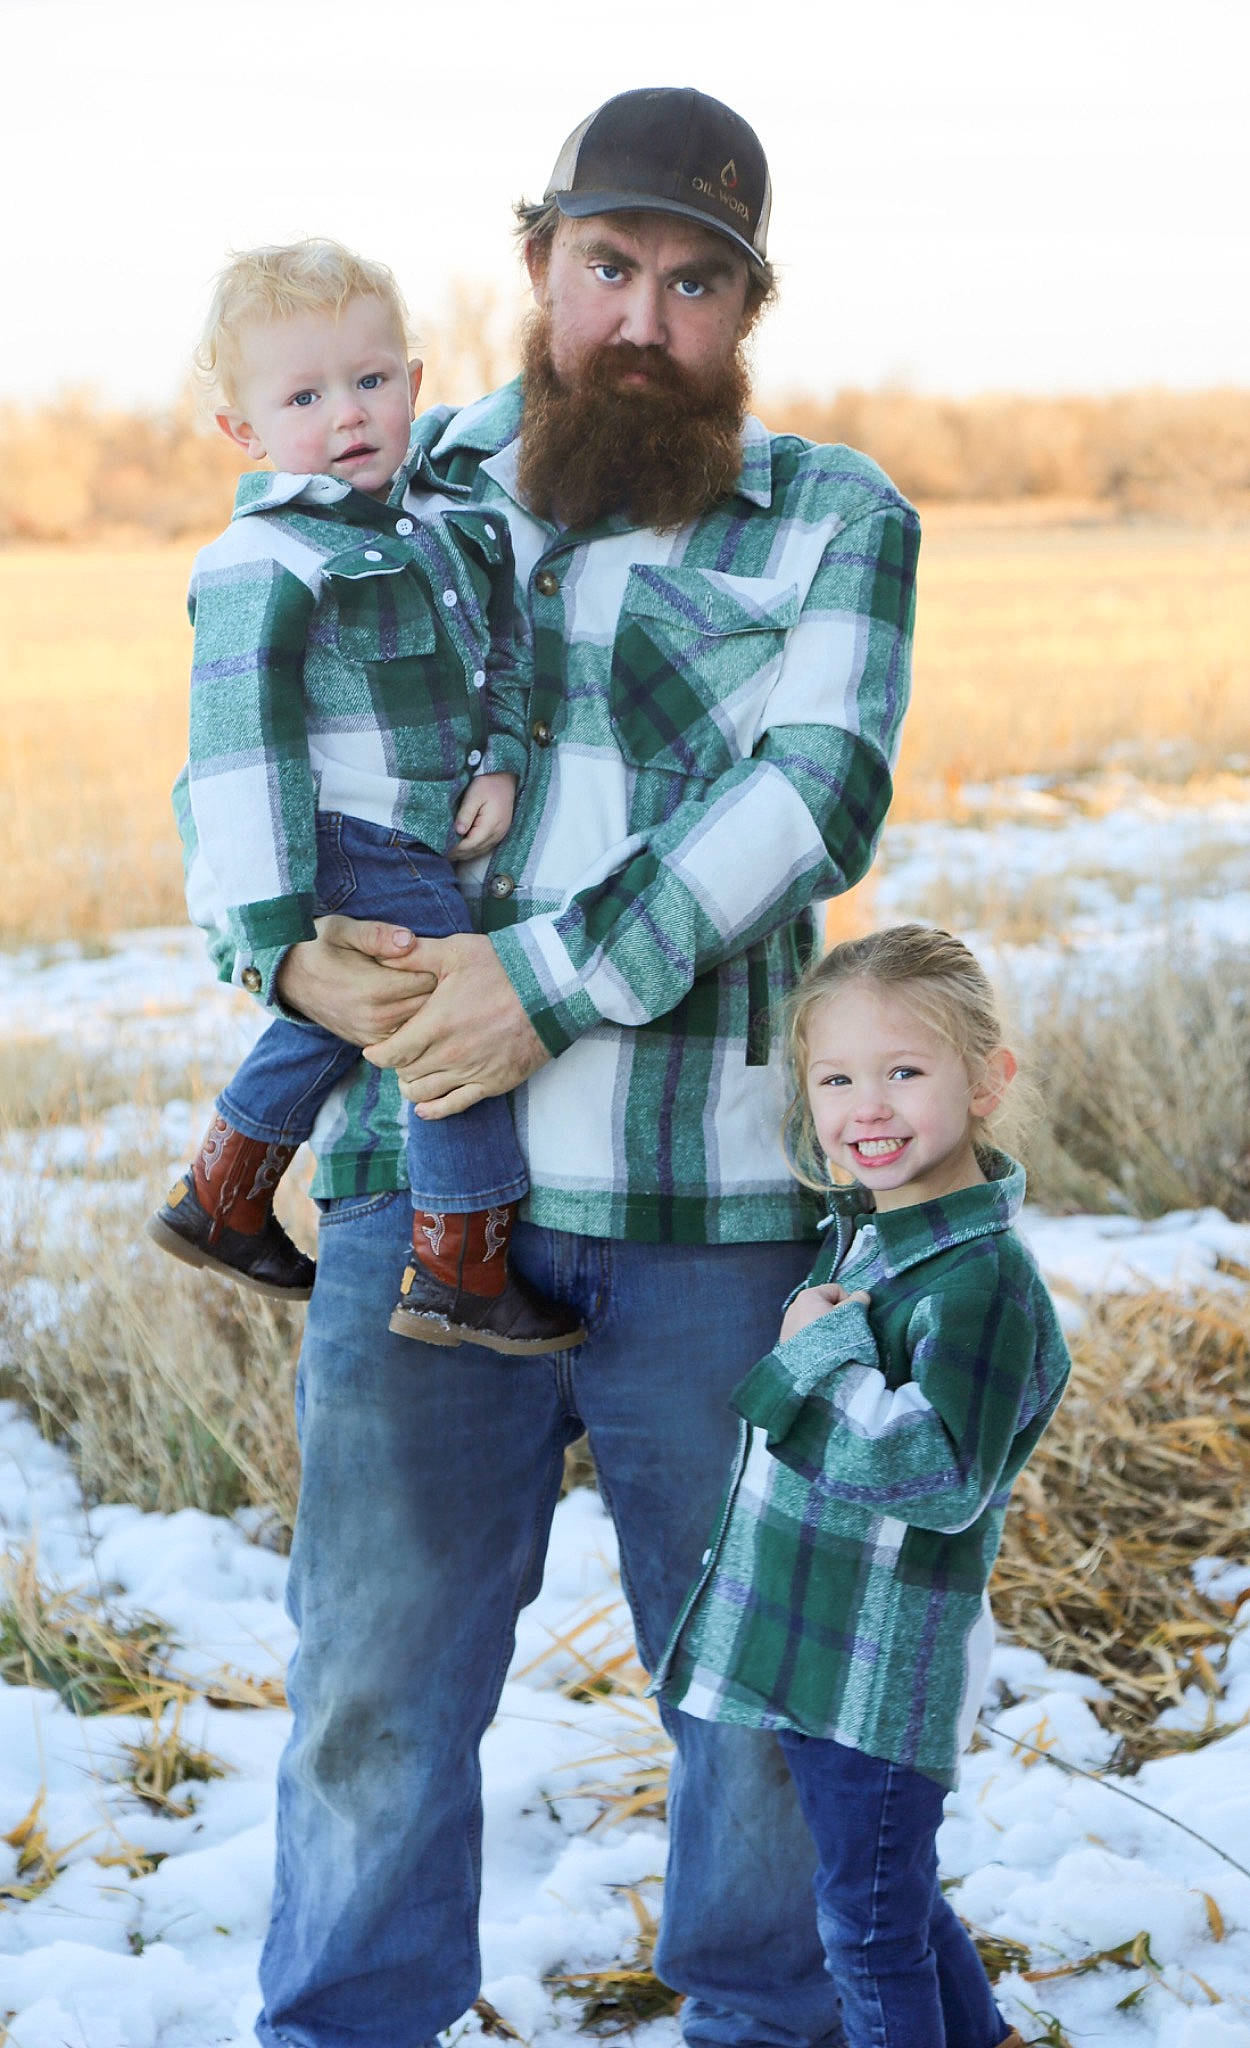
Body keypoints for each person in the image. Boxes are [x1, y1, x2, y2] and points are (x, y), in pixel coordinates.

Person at [179, 87, 923, 2048]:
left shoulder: (832, 516)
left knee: (755, 1691)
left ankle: (771, 2023)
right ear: (536, 262)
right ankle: (346, 2027)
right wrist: (278, 948)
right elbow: (235, 734)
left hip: (714, 1212)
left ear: (747, 304)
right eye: (608, 264)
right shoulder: (380, 476)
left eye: (694, 283)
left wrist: (540, 983)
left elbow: (815, 794)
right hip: (412, 1201)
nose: (641, 319)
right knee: (372, 1682)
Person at [151, 238, 584, 1354]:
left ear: (414, 383)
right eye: (303, 397)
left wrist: (501, 759)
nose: (346, 413)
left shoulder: (445, 525)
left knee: (353, 1021)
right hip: (347, 841)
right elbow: (236, 756)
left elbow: (504, 648)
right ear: (242, 430)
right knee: (443, 1023)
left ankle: (224, 1193)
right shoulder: (261, 558)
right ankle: (457, 1264)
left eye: (371, 379)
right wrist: (276, 930)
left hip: (415, 838)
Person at [655, 925, 1071, 2048]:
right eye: (835, 1078)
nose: (865, 1107)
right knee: (892, 1896)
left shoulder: (978, 1280)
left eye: (904, 1070)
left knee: (867, 1930)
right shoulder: (874, 1238)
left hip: (883, 1661)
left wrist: (813, 1353)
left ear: (987, 1081)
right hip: (818, 1643)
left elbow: (938, 1475)